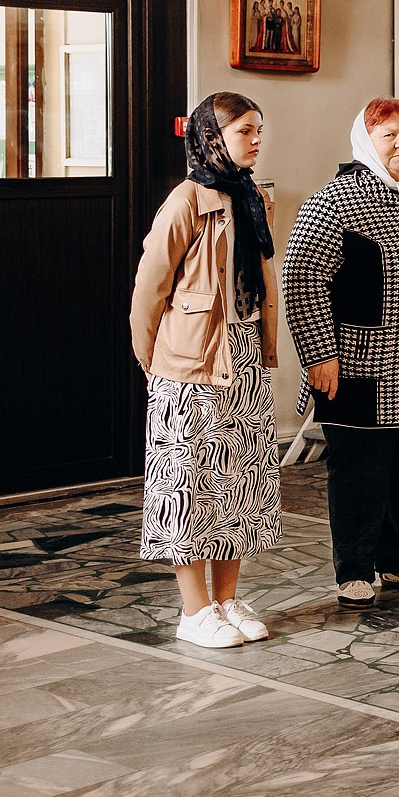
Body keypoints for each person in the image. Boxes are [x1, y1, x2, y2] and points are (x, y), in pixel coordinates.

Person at [282, 97, 399, 608]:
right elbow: (301, 279)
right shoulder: (337, 200)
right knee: (361, 471)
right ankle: (355, 568)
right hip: (360, 367)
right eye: (389, 135)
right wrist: (319, 353)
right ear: (367, 141)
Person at [128, 91, 281, 648]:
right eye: (245, 131)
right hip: (190, 363)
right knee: (186, 488)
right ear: (213, 137)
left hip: (242, 355)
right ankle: (193, 611)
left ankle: (226, 599)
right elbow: (150, 289)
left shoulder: (251, 198)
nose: (257, 139)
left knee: (237, 483)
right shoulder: (186, 200)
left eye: (259, 129)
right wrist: (157, 363)